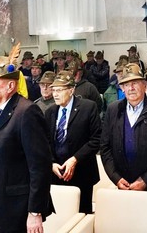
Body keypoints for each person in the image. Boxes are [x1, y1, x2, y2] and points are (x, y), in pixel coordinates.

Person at [0, 43, 53, 232]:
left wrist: (35, 212)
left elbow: (40, 167)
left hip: (19, 210)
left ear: (11, 85)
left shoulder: (27, 112)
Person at [100, 63, 147, 220]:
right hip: (123, 185)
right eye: (126, 84)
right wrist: (115, 177)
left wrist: (145, 180)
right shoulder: (113, 110)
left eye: (135, 83)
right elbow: (105, 147)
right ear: (121, 88)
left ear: (144, 85)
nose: (131, 88)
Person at [45, 71, 101, 214]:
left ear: (71, 90)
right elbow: (44, 141)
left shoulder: (88, 107)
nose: (55, 94)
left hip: (82, 172)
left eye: (59, 90)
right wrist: (51, 163)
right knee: (59, 215)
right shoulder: (50, 111)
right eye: (53, 90)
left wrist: (75, 159)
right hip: (56, 174)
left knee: (81, 216)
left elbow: (96, 140)